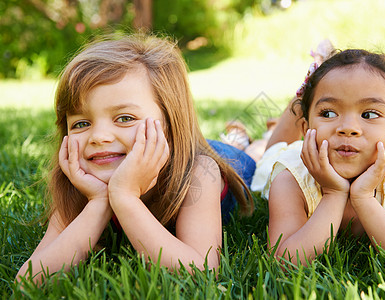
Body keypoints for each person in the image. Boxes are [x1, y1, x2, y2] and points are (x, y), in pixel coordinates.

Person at [16, 34, 254, 283]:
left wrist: (125, 197)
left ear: (171, 123)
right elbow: (29, 281)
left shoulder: (199, 172)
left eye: (125, 118)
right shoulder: (79, 182)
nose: (99, 137)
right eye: (82, 123)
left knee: (245, 150)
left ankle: (243, 138)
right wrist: (99, 200)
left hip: (227, 160)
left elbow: (201, 273)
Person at [259, 49, 385, 267]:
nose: (348, 128)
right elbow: (283, 263)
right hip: (284, 156)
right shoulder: (289, 181)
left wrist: (363, 197)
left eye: (369, 114)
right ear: (307, 129)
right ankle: (250, 135)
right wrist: (334, 193)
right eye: (328, 113)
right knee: (266, 150)